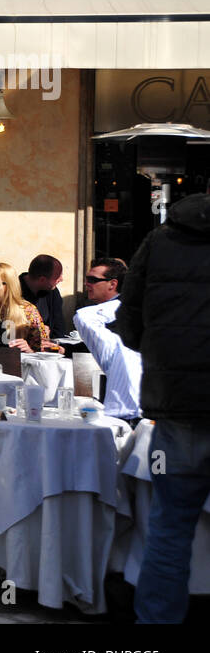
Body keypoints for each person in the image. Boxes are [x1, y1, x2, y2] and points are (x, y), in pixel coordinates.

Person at [113, 190, 210, 623]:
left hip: (177, 406)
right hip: (178, 407)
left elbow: (129, 324)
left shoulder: (163, 239)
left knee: (170, 529)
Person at [73, 257, 140, 421]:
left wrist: (129, 303)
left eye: (93, 280)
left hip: (130, 410)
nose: (86, 284)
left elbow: (83, 317)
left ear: (112, 284)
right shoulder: (110, 316)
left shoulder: (120, 316)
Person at [19, 253, 69, 337]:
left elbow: (59, 329)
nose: (61, 279)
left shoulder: (52, 292)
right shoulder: (14, 292)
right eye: (57, 276)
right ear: (42, 280)